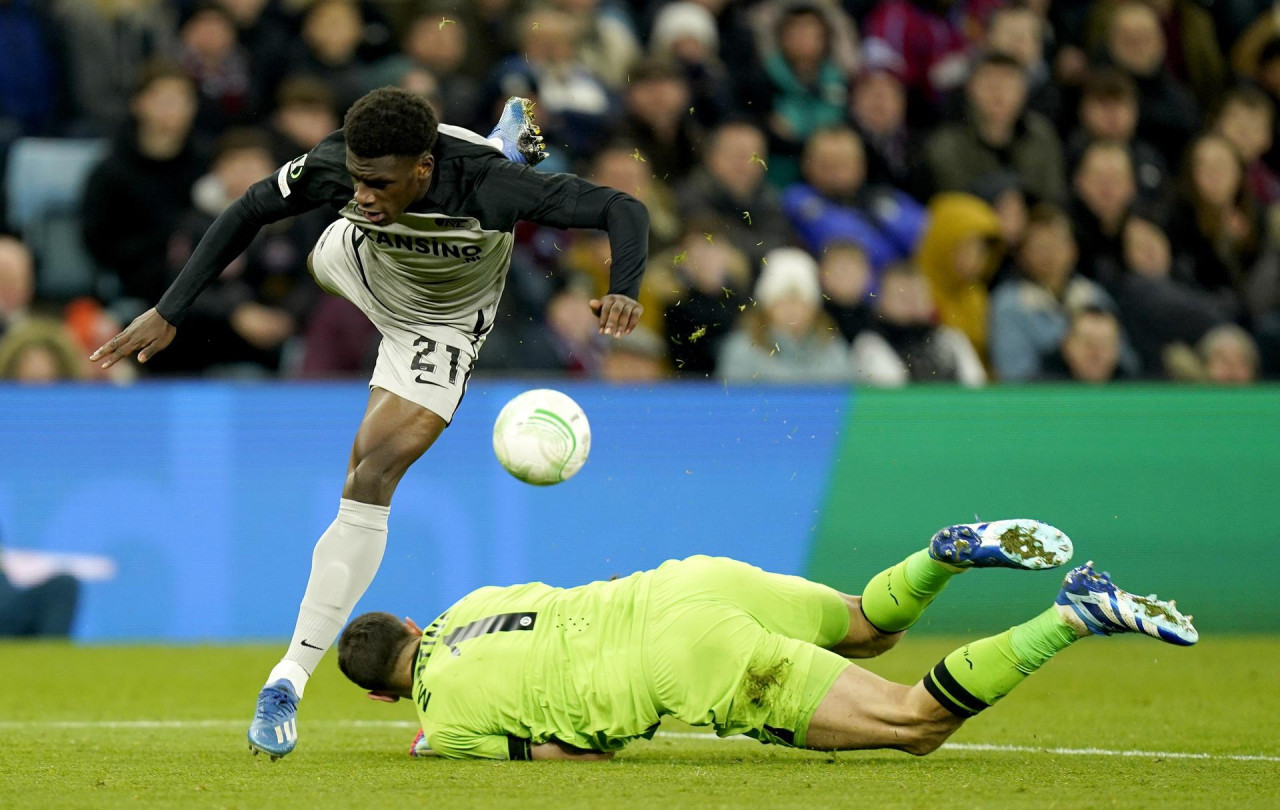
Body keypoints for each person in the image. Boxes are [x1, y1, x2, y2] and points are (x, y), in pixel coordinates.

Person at [89, 88, 649, 759]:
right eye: (356, 178)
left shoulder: (493, 189)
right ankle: (492, 138)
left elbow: (624, 208)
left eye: (379, 182)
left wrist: (626, 286)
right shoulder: (340, 168)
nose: (361, 190)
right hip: (354, 262)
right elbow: (248, 210)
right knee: (326, 246)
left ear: (423, 168)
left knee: (371, 473)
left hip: (438, 321)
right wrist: (170, 308)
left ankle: (286, 681)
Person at [336, 519, 1196, 761]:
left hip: (686, 660)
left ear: (383, 692)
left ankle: (1075, 612)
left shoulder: (443, 723)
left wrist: (431, 743)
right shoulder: (475, 597)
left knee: (911, 724)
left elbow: (569, 758)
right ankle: (939, 556)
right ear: (413, 621)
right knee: (866, 623)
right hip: (686, 580)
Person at [717, 247, 851, 383]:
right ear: (767, 306)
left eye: (801, 302)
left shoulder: (832, 348)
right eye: (783, 301)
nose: (792, 310)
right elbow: (733, 399)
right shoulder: (742, 349)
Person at [850, 263, 986, 387]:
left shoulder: (952, 339)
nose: (912, 305)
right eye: (902, 298)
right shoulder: (869, 344)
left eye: (918, 296)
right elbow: (893, 397)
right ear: (882, 302)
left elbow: (976, 389)